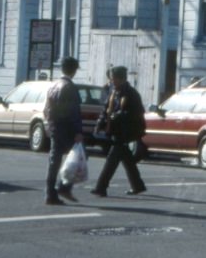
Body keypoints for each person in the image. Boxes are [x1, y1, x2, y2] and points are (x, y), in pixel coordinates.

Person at [90, 66, 147, 197]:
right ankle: (138, 185)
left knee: (112, 160)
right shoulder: (113, 92)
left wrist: (120, 114)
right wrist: (100, 123)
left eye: (114, 78)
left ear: (122, 79)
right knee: (127, 160)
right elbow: (106, 109)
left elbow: (138, 112)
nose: (111, 81)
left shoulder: (131, 94)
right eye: (111, 78)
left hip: (126, 132)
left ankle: (101, 187)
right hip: (115, 130)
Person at [44, 56, 84, 206]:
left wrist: (51, 124)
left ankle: (50, 194)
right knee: (78, 158)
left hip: (55, 128)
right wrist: (78, 131)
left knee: (54, 161)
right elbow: (74, 112)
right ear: (74, 70)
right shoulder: (70, 87)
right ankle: (64, 187)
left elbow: (46, 109)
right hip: (67, 128)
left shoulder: (54, 86)